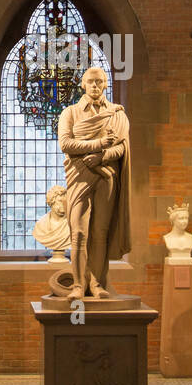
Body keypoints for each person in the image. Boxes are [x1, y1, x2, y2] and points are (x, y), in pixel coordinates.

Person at [58, 67, 131, 301]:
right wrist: (98, 144)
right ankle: (78, 285)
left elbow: (122, 147)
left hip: (106, 176)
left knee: (100, 232)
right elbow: (66, 144)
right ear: (83, 84)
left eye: (100, 82)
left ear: (106, 84)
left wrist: (102, 157)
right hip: (79, 177)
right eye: (91, 82)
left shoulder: (117, 114)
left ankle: (98, 283)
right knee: (78, 233)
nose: (95, 86)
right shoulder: (70, 113)